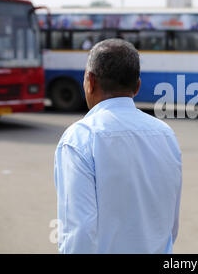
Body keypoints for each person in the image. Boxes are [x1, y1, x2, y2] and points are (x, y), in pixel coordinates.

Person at [54, 39, 182, 253]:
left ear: (90, 81)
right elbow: (171, 224)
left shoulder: (80, 137)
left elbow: (80, 230)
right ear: (138, 86)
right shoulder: (165, 133)